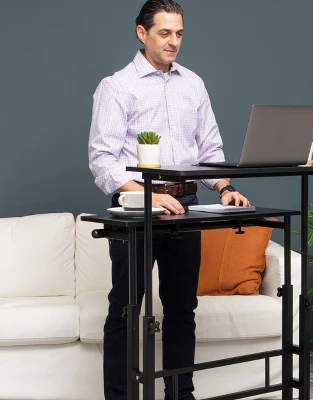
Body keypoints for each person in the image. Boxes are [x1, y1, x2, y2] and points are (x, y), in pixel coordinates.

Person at [88, 1, 249, 399]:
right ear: (141, 33)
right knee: (125, 310)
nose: (173, 41)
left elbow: (209, 149)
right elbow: (103, 161)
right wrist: (151, 195)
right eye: (164, 33)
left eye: (179, 33)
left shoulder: (193, 84)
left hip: (186, 208)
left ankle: (181, 394)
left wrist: (225, 188)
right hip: (136, 212)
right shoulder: (117, 86)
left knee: (182, 309)